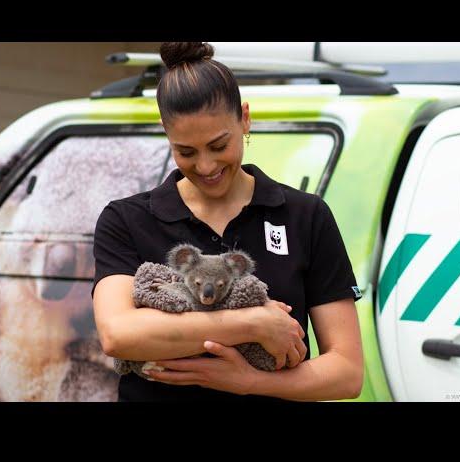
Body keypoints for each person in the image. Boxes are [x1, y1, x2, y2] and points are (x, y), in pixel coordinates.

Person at [91, 42, 364, 402]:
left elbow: (346, 372)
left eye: (219, 146)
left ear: (245, 118)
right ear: (166, 132)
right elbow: (118, 334)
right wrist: (255, 323)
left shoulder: (305, 215)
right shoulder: (126, 219)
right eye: (186, 151)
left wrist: (249, 381)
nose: (206, 166)